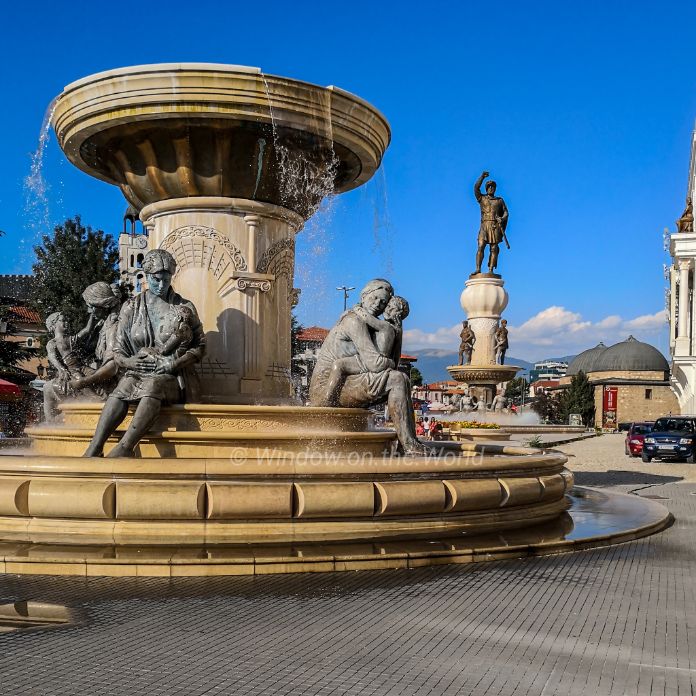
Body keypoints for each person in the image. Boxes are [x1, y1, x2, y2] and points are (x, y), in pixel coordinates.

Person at [83, 249, 205, 458]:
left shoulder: (184, 307)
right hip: (138, 370)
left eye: (166, 279)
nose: (161, 285)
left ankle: (125, 447)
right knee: (123, 388)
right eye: (156, 279)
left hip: (174, 376)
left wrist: (172, 364)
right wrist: (129, 362)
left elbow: (200, 346)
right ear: (147, 276)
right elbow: (118, 350)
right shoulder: (131, 306)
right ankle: (95, 447)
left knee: (154, 384)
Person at [309, 279, 423, 454]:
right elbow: (375, 364)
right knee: (397, 379)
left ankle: (407, 442)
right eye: (374, 298)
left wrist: (398, 331)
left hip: (345, 379)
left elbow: (389, 360)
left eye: (383, 302)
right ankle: (408, 445)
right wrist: (389, 363)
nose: (377, 304)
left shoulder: (372, 325)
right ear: (363, 296)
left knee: (402, 379)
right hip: (328, 390)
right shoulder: (354, 321)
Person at [322, 295, 409, 406]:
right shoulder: (395, 330)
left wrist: (357, 307)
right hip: (372, 360)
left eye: (394, 309)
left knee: (338, 365)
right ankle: (329, 398)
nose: (388, 310)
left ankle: (328, 398)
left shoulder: (385, 326)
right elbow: (396, 356)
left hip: (373, 362)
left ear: (399, 315)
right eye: (388, 306)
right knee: (340, 365)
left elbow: (365, 317)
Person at [473, 171, 509, 275]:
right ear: (486, 188)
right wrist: (482, 177)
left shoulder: (499, 200)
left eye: (493, 187)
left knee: (494, 249)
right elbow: (476, 188)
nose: (491, 188)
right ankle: (478, 268)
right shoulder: (482, 198)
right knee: (481, 246)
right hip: (484, 226)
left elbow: (506, 212)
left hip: (494, 226)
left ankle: (491, 269)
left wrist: (502, 218)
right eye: (489, 187)